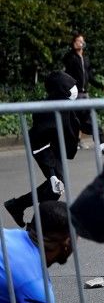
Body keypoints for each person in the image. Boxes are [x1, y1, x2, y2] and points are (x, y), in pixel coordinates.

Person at [5, 71, 81, 228]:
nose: (75, 89)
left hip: (55, 147)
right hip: (44, 148)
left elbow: (85, 118)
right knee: (56, 185)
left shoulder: (65, 103)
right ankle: (34, 223)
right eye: (70, 87)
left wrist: (100, 140)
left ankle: (20, 208)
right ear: (60, 90)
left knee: (56, 187)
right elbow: (40, 143)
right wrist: (52, 174)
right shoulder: (46, 110)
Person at [62, 32, 104, 156]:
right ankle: (76, 142)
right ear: (74, 43)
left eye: (82, 41)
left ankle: (90, 141)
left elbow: (90, 77)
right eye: (78, 41)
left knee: (86, 118)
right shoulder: (71, 58)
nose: (80, 43)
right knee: (77, 119)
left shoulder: (86, 59)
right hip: (75, 94)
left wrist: (101, 85)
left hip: (84, 94)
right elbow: (66, 70)